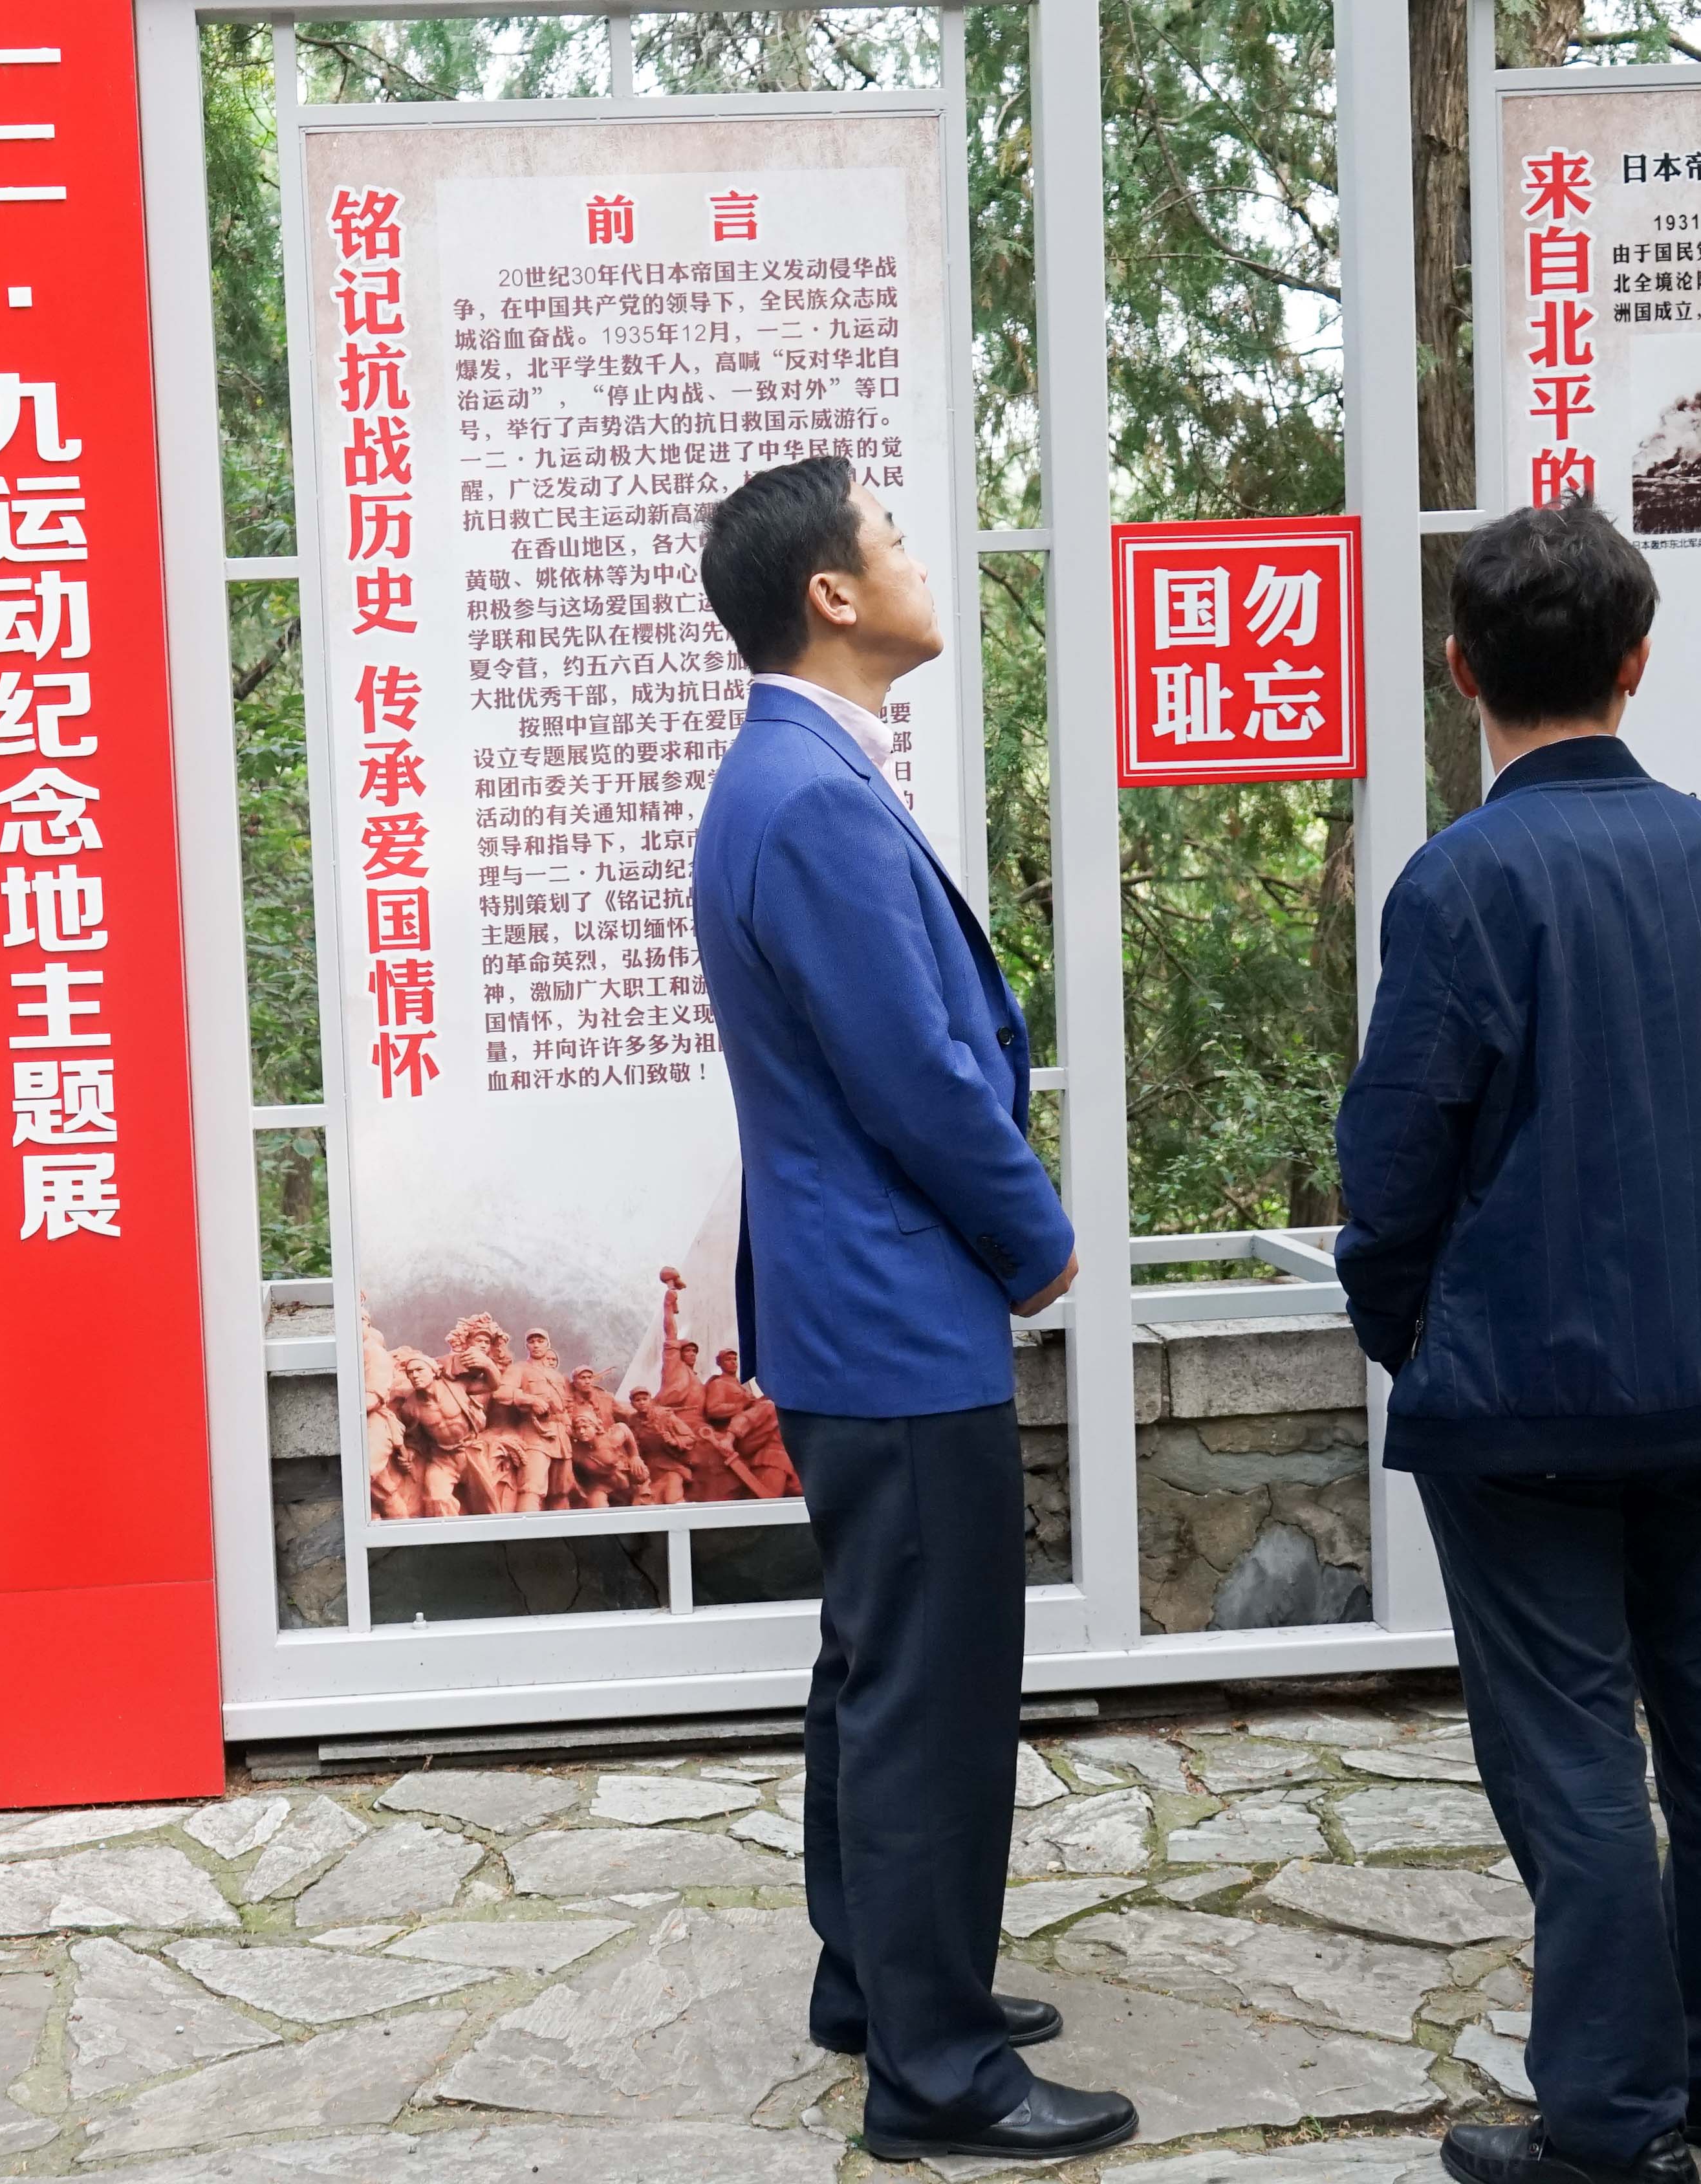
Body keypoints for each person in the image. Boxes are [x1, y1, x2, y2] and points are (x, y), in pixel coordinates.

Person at [1332, 497, 1701, 2184]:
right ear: (1639, 664)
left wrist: (1413, 1331)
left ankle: (1614, 2131)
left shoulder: (1461, 886)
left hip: (1522, 1395)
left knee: (1571, 1744)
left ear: (1460, 670)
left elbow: (1394, 1166)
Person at [689, 453, 1135, 2165]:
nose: (915, 562)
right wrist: (1035, 1238)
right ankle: (938, 2073)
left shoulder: (796, 775)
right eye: (890, 539)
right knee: (932, 1689)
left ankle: (877, 1984)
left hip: (858, 1307)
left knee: (879, 1663)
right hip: (890, 1311)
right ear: (831, 593)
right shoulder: (809, 798)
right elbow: (919, 1075)